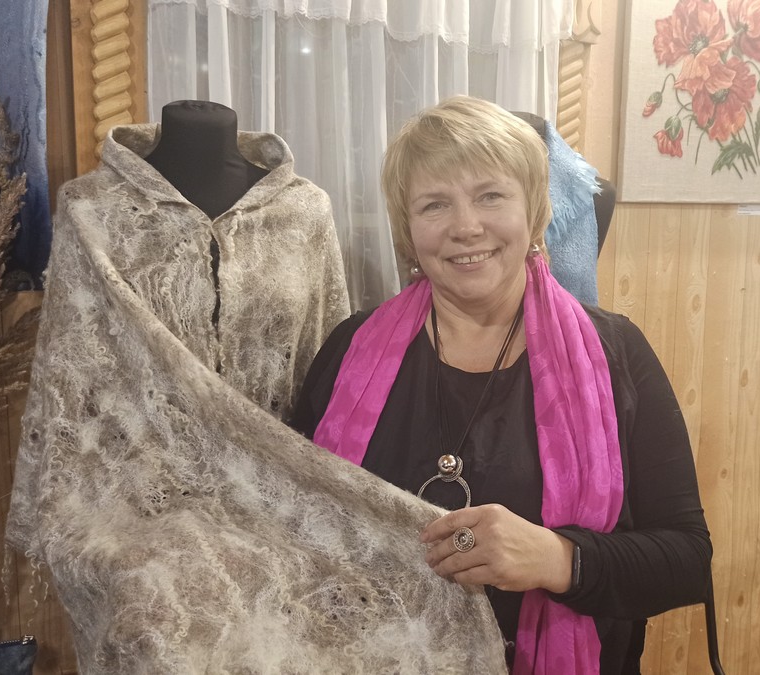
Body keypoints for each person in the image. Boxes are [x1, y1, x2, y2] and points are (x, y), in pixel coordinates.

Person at [289, 95, 711, 674]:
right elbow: (292, 526)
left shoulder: (619, 354)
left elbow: (687, 560)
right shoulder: (347, 350)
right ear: (409, 231)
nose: (466, 227)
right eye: (435, 204)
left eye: (490, 196)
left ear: (534, 211)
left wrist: (559, 559)